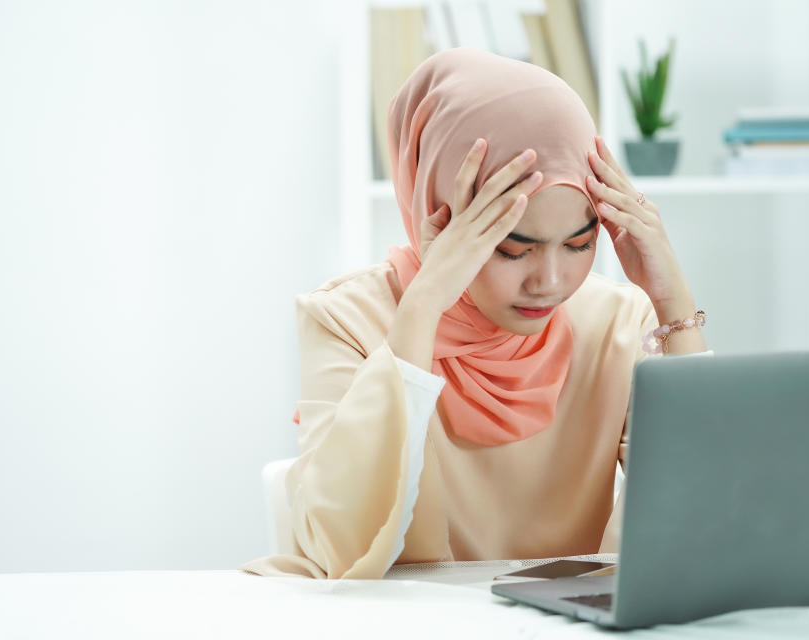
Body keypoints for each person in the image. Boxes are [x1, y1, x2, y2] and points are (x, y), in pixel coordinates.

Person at [239, 47, 708, 580]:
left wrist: (675, 304)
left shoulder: (619, 323)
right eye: (510, 249)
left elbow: (700, 518)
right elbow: (337, 548)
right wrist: (422, 310)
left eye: (579, 244)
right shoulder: (345, 320)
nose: (549, 282)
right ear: (433, 207)